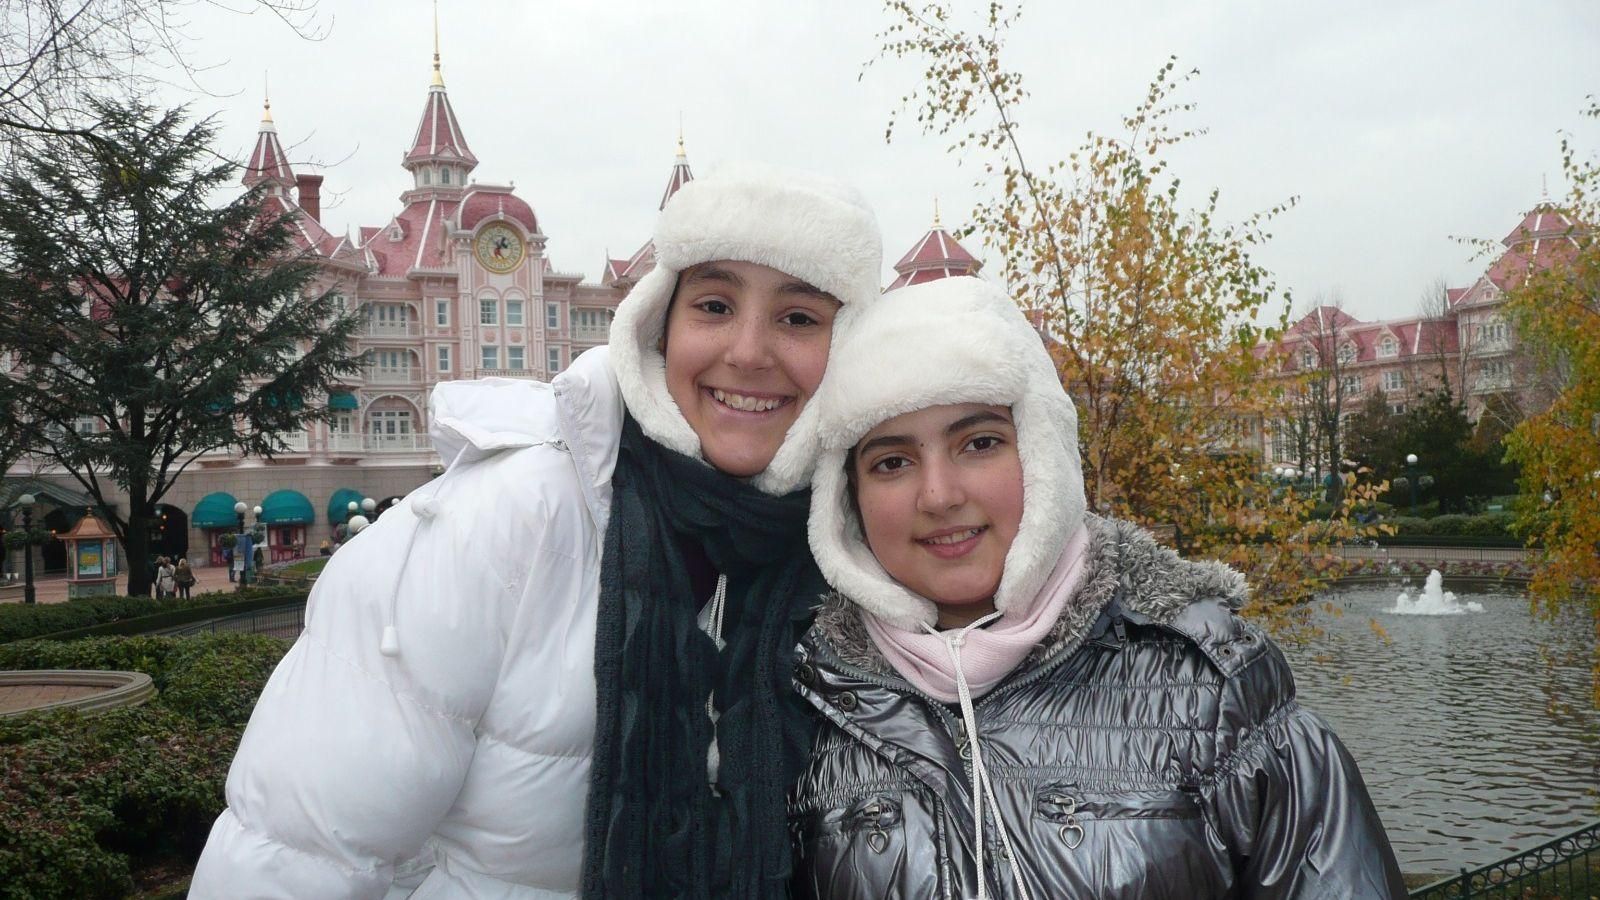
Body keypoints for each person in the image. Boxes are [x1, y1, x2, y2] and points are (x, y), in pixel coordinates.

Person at [189, 163, 883, 898]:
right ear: (656, 326)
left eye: (799, 317)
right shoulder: (502, 522)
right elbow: (298, 858)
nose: (748, 352)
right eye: (714, 305)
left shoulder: (856, 556)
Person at [790, 277, 1406, 899]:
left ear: (1043, 453)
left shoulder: (1212, 686)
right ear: (848, 500)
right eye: (892, 462)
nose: (940, 495)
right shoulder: (803, 701)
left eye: (980, 443)